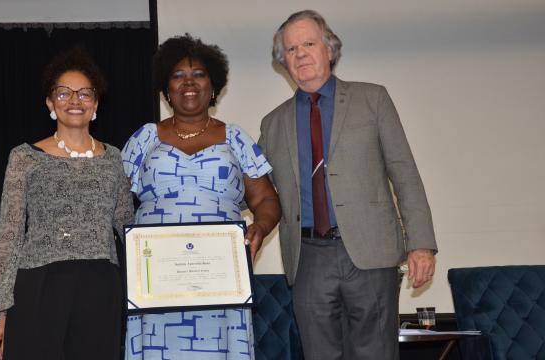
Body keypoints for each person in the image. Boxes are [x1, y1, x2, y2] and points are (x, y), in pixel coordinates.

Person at [258, 10, 438, 360]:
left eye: (308, 43)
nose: (300, 54)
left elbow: (404, 172)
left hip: (371, 255)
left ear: (329, 49)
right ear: (284, 63)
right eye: (291, 49)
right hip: (308, 259)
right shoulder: (273, 123)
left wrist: (421, 244)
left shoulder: (373, 100)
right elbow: (258, 190)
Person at [121, 34, 281, 360]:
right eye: (177, 75)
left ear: (213, 86)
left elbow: (266, 200)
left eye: (198, 74)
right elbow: (114, 204)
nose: (188, 83)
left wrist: (259, 230)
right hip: (156, 280)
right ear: (166, 89)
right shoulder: (143, 139)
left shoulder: (235, 138)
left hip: (220, 276)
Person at [0, 47, 134, 360]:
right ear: (50, 103)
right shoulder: (24, 157)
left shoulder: (114, 158)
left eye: (84, 93)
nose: (75, 100)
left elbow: (129, 229)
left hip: (100, 287)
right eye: (64, 93)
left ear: (96, 103)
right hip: (38, 286)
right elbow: (9, 236)